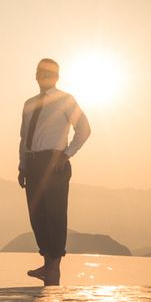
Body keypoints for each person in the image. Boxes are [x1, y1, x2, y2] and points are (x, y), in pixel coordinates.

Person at [17, 58, 91, 286]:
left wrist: (67, 154)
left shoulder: (65, 100)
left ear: (56, 77)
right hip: (33, 163)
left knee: (56, 216)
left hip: (55, 162)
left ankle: (54, 270)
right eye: (40, 72)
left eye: (49, 73)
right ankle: (48, 265)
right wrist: (22, 166)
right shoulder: (29, 103)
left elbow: (84, 129)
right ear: (36, 74)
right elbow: (23, 138)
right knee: (37, 215)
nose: (44, 76)